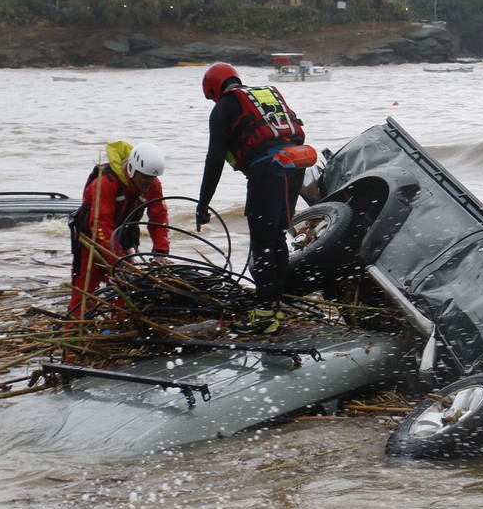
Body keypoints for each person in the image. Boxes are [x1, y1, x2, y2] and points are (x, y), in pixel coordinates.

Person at [195, 62, 316, 333]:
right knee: (276, 238)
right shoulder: (264, 94)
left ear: (214, 89)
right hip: (294, 166)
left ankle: (264, 315)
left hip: (268, 171)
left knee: (262, 243)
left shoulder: (223, 107)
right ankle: (274, 307)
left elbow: (214, 160)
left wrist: (203, 204)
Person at [66, 140, 169, 325]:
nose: (150, 183)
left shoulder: (152, 184)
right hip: (91, 244)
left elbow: (158, 217)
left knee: (126, 293)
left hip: (120, 242)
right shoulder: (105, 184)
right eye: (146, 178)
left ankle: (118, 331)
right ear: (132, 170)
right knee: (82, 300)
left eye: (153, 178)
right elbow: (101, 227)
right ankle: (73, 343)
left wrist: (160, 251)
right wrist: (120, 262)